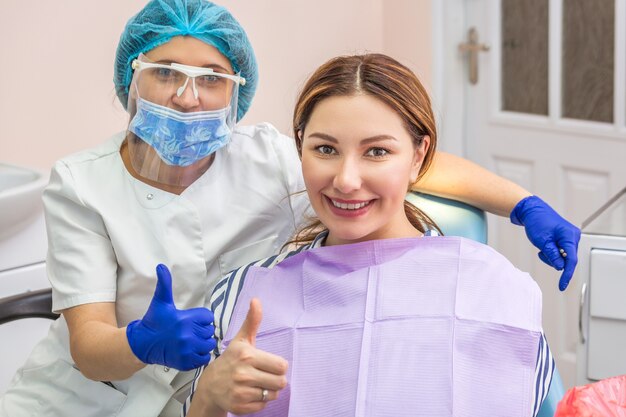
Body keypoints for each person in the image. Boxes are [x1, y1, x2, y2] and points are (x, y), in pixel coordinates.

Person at [0, 1, 574, 416]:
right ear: (131, 78)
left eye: (210, 79)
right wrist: (141, 343)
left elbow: (381, 151)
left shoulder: (270, 154)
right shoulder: (82, 183)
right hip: (98, 395)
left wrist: (524, 204)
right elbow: (89, 344)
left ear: (237, 92)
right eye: (164, 73)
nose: (185, 95)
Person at [184, 53, 556, 417]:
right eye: (325, 149)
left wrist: (523, 204)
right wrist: (210, 399)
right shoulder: (242, 294)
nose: (346, 180)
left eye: (376, 151)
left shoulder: (491, 289)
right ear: (300, 148)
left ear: (418, 156)